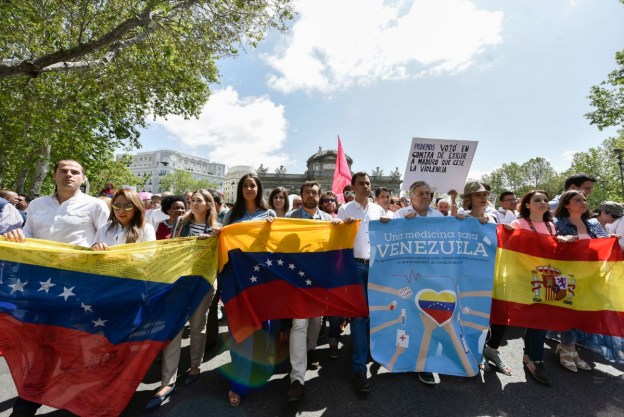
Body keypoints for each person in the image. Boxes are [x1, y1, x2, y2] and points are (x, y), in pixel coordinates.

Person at [2, 159, 109, 417]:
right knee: (42, 343)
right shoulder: (37, 205)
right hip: (39, 287)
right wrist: (14, 236)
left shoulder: (95, 206)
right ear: (54, 175)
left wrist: (100, 248)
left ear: (83, 178)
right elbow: (25, 239)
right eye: (64, 171)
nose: (69, 175)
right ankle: (28, 401)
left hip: (78, 288)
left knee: (77, 344)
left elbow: (107, 241)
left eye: (75, 172)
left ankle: (84, 400)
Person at [146, 189, 220, 410]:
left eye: (199, 201)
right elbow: (174, 248)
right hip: (179, 280)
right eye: (192, 200)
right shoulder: (180, 222)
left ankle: (195, 367)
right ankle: (167, 382)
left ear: (208, 205)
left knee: (198, 326)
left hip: (204, 282)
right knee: (175, 328)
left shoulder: (219, 227)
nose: (194, 204)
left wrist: (214, 240)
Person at [284, 181, 341, 401]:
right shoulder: (288, 218)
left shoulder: (329, 220)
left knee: (316, 320)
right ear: (301, 195)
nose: (311, 195)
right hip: (297, 279)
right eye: (307, 192)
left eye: (315, 193)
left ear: (319, 197)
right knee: (299, 324)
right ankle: (297, 378)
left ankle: (309, 350)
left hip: (320, 280)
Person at [222, 174, 276, 407]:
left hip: (262, 278)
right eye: (245, 185)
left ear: (259, 188)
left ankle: (259, 372)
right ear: (240, 189)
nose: (249, 188)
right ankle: (239, 384)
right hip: (236, 278)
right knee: (240, 328)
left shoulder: (270, 214)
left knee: (263, 327)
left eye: (252, 185)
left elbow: (277, 244)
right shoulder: (230, 215)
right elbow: (222, 243)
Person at [337, 172, 388, 393]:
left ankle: (368, 352)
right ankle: (359, 369)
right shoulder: (344, 210)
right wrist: (342, 226)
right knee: (358, 316)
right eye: (361, 184)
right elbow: (336, 236)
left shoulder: (379, 210)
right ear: (353, 187)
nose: (366, 186)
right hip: (355, 266)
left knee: (375, 314)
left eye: (368, 183)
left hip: (378, 266)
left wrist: (389, 223)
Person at [457, 181, 511, 377]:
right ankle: (472, 353)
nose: (483, 197)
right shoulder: (461, 219)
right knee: (470, 316)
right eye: (478, 194)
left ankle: (485, 350)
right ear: (469, 198)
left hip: (491, 274)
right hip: (468, 276)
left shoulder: (493, 219)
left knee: (490, 316)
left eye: (485, 194)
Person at [507, 190, 558, 384]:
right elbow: (511, 249)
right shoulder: (518, 224)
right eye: (537, 200)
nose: (543, 203)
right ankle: (535, 359)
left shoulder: (551, 226)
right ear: (527, 205)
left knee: (539, 318)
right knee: (537, 318)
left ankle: (530, 356)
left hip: (547, 277)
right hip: (525, 277)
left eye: (545, 200)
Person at [552, 190, 607, 372]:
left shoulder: (590, 224)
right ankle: (567, 350)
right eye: (578, 200)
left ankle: (570, 348)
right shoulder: (556, 223)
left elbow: (598, 246)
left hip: (587, 276)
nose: (584, 203)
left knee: (580, 313)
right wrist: (560, 240)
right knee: (568, 311)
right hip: (564, 275)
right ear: (567, 204)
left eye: (584, 200)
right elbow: (548, 246)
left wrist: (610, 243)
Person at [91, 188, 156, 249]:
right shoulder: (103, 229)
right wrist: (96, 247)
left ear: (136, 208)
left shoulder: (146, 229)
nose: (121, 211)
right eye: (117, 206)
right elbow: (93, 254)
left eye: (127, 206)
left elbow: (149, 256)